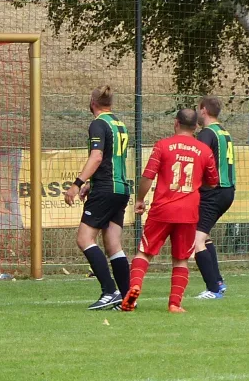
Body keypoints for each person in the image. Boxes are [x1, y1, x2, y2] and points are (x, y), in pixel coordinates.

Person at [121, 108, 218, 312]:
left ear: (176, 123)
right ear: (195, 127)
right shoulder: (204, 150)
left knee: (144, 252)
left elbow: (148, 176)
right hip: (189, 212)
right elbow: (213, 182)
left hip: (162, 209)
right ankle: (174, 304)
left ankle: (135, 287)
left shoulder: (162, 146)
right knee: (181, 259)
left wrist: (139, 199)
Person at [64, 85, 131, 310]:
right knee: (113, 244)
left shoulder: (98, 124)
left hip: (106, 188)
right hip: (121, 189)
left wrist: (77, 184)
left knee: (84, 239)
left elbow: (97, 157)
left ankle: (109, 291)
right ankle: (127, 296)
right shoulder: (120, 125)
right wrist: (92, 185)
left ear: (92, 102)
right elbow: (111, 159)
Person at [194, 96, 236, 299]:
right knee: (204, 235)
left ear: (203, 110)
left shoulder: (207, 134)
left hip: (214, 191)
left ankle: (213, 289)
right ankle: (218, 281)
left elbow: (198, 161)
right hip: (227, 190)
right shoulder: (224, 133)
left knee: (196, 240)